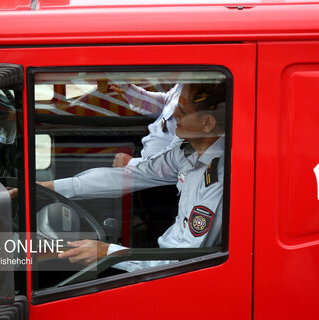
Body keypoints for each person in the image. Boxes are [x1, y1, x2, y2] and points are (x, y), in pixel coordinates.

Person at [40, 82, 227, 272]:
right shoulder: (186, 153)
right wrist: (49, 187)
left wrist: (108, 254)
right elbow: (128, 176)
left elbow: (183, 264)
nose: (174, 115)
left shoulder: (217, 181)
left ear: (208, 123)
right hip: (159, 260)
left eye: (183, 111)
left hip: (172, 275)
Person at [110, 83, 183, 167]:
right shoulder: (184, 84)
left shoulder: (196, 96)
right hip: (150, 165)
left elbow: (177, 157)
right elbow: (165, 102)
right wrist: (127, 89)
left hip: (157, 172)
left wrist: (132, 163)